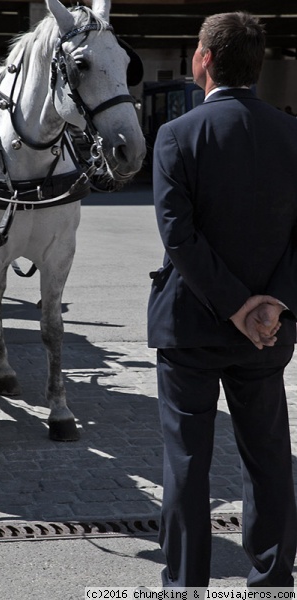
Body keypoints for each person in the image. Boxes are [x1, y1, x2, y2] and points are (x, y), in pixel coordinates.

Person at [148, 11, 297, 588]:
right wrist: (271, 306)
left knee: (187, 460)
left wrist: (235, 304)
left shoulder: (177, 135)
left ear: (204, 60)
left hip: (190, 326)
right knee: (267, 457)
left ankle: (186, 584)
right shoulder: (292, 136)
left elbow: (178, 235)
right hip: (267, 332)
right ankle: (272, 577)